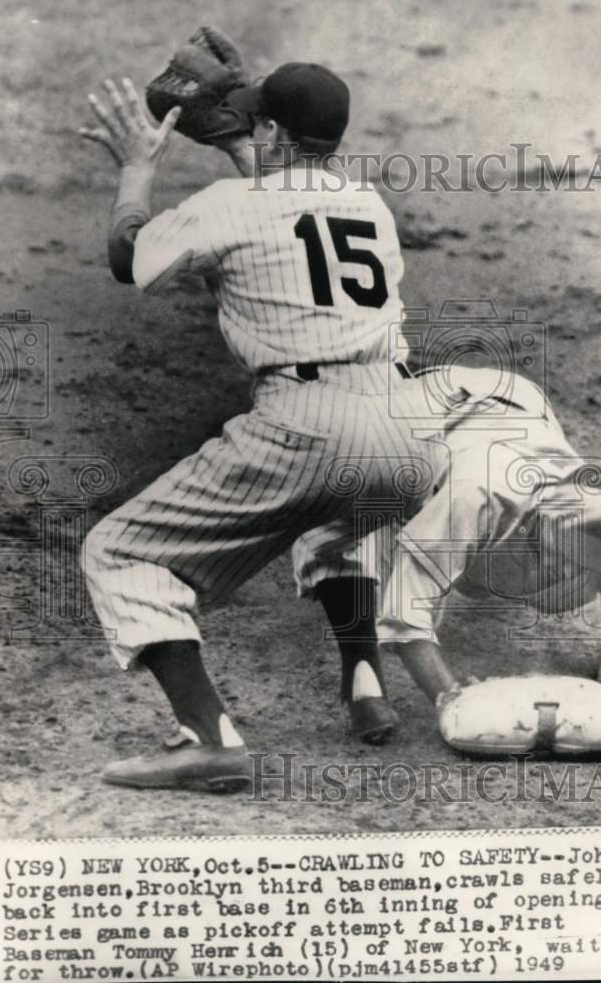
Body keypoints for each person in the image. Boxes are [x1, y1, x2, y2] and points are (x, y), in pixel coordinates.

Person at [78, 64, 439, 791]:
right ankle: (363, 675)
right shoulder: (368, 204)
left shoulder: (226, 205)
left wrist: (135, 172)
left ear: (270, 131)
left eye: (256, 122)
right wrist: (254, 151)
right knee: (339, 514)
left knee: (117, 552)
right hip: (412, 436)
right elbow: (288, 212)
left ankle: (206, 736)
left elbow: (129, 259)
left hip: (305, 426)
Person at [294, 365, 601, 716]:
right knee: (347, 524)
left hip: (519, 401)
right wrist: (450, 696)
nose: (568, 570)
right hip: (419, 416)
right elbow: (405, 617)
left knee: (535, 582)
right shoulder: (476, 495)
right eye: (565, 561)